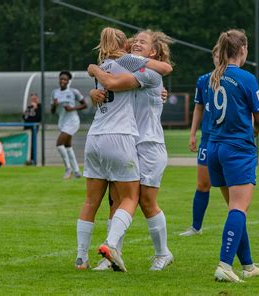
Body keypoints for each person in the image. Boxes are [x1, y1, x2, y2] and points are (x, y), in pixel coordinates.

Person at [75, 27, 172, 272]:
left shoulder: (149, 74)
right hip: (126, 141)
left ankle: (162, 253)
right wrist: (93, 91)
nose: (137, 43)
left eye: (143, 41)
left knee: (146, 202)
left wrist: (95, 70)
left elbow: (113, 82)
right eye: (135, 40)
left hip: (148, 144)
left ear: (154, 51)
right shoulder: (131, 66)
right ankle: (110, 256)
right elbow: (110, 85)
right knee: (117, 200)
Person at [206, 29, 259, 283]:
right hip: (237, 149)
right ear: (243, 49)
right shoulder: (246, 77)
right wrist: (254, 129)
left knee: (234, 208)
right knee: (239, 208)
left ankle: (248, 266)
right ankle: (224, 264)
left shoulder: (213, 76)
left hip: (215, 148)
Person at [180, 44, 219, 237]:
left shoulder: (236, 79)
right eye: (217, 56)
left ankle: (238, 224)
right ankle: (196, 227)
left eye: (223, 55)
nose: (220, 59)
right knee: (203, 184)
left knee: (230, 186)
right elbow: (198, 108)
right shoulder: (203, 80)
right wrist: (193, 133)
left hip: (228, 139)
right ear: (213, 58)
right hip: (208, 139)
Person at [51, 71, 87, 179]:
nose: (62, 81)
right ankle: (77, 172)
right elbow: (52, 111)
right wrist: (54, 105)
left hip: (72, 121)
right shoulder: (54, 93)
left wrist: (72, 108)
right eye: (61, 79)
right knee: (67, 146)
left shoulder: (73, 92)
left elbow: (85, 105)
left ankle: (68, 170)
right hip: (62, 122)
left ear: (68, 81)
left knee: (59, 144)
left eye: (65, 79)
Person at [22, 93, 41, 164]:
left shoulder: (39, 107)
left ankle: (33, 159)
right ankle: (26, 158)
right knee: (27, 144)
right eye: (32, 99)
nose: (33, 100)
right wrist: (25, 113)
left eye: (35, 99)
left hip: (34, 129)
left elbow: (39, 118)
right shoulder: (29, 107)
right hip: (27, 128)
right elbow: (24, 117)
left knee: (33, 144)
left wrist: (36, 109)